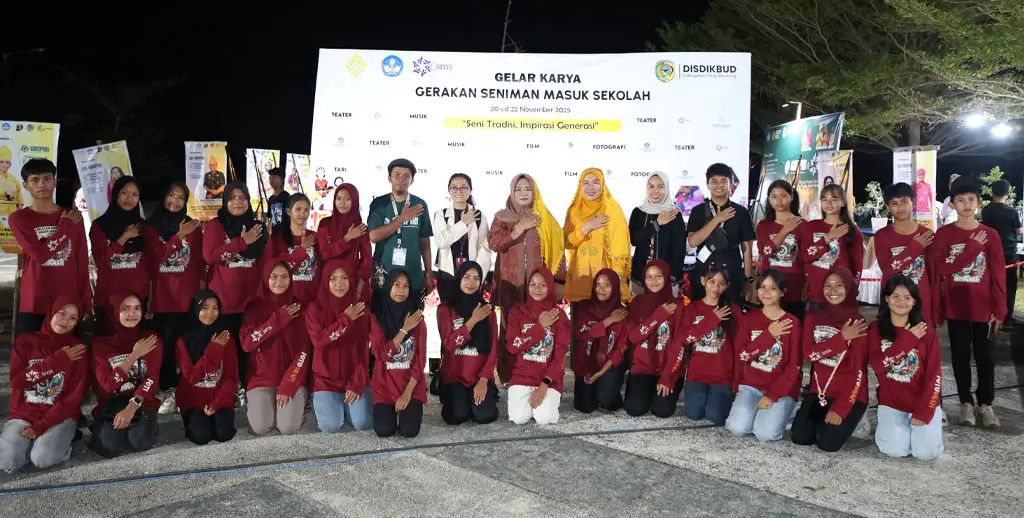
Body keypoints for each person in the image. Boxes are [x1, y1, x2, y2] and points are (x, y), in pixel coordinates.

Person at [931, 177, 1006, 428]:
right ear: (952, 205)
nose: (966, 205)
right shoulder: (944, 235)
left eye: (970, 200)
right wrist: (971, 248)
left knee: (986, 357)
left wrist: (1000, 308)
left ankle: (985, 404)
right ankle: (965, 402)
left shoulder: (990, 235)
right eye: (960, 201)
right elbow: (944, 268)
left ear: (979, 203)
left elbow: (997, 273)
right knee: (960, 356)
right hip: (957, 307)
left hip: (984, 308)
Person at [488, 174, 567, 384]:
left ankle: (536, 373)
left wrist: (559, 283)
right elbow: (494, 244)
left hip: (537, 287)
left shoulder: (544, 218)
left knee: (538, 326)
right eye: (518, 189)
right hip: (510, 284)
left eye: (527, 189)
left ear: (535, 192)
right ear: (511, 192)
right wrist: (519, 227)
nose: (523, 193)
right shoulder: (502, 217)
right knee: (509, 328)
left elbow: (558, 249)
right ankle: (507, 375)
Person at [1, 295, 87, 473]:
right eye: (61, 313)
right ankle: (30, 442)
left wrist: (41, 426)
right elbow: (17, 382)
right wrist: (55, 362)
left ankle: (63, 439)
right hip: (24, 412)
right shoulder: (26, 341)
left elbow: (73, 397)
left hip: (58, 415)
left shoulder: (78, 349)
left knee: (42, 459)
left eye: (73, 318)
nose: (66, 320)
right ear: (51, 313)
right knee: (7, 462)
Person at [203, 181, 271, 396]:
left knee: (248, 348)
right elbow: (211, 257)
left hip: (250, 302)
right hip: (223, 302)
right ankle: (224, 388)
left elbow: (265, 263)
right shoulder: (216, 226)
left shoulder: (257, 227)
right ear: (225, 201)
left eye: (242, 197)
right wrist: (242, 242)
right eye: (232, 198)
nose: (237, 202)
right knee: (223, 348)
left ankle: (245, 387)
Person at [791, 267, 868, 452]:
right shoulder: (813, 317)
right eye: (828, 285)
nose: (832, 290)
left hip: (850, 394)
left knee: (828, 444)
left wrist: (841, 408)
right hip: (820, 391)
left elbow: (859, 372)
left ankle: (856, 419)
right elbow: (809, 354)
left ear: (849, 287)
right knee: (801, 437)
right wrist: (840, 339)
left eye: (839, 285)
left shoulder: (857, 323)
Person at [144, 181, 205, 415]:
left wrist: (202, 293)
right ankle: (169, 388)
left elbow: (199, 261)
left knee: (190, 345)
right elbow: (158, 257)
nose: (176, 201)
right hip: (164, 297)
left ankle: (189, 387)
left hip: (189, 298)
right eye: (171, 195)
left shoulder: (193, 226)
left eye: (181, 197)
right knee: (167, 346)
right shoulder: (150, 228)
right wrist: (179, 235)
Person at [10, 159, 91, 334]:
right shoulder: (19, 218)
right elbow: (40, 255)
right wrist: (65, 227)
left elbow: (81, 262)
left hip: (68, 303)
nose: (42, 184)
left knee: (70, 357)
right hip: (35, 302)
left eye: (47, 178)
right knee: (35, 359)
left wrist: (85, 301)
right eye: (35, 180)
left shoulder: (72, 216)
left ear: (54, 182)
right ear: (26, 186)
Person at [869, 275, 944, 460]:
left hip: (923, 400)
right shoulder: (876, 329)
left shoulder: (926, 332)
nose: (901, 302)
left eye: (907, 297)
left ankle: (929, 432)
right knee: (896, 451)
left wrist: (924, 410)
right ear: (886, 298)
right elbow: (879, 365)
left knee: (925, 454)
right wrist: (907, 340)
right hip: (892, 401)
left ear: (914, 301)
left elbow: (934, 375)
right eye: (895, 296)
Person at [726, 269, 801, 441]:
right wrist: (768, 335)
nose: (766, 292)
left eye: (773, 288)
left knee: (765, 434)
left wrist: (773, 395)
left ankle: (787, 411)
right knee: (738, 428)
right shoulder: (749, 319)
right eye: (762, 287)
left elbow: (793, 367)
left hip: (780, 389)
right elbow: (742, 356)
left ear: (782, 292)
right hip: (752, 385)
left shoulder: (792, 323)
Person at [240, 262, 311, 436]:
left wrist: (289, 385)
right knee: (261, 427)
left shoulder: (299, 308)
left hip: (292, 378)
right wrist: (277, 320)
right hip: (262, 379)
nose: (279, 281)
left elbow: (304, 352)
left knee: (287, 427)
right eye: (274, 277)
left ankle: (302, 403)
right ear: (265, 278)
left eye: (285, 277)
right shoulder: (254, 308)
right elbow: (248, 343)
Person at [88, 293, 162, 458]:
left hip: (141, 401)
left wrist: (132, 406)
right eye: (125, 308)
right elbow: (107, 384)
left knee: (140, 442)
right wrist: (133, 356)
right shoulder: (100, 345)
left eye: (137, 308)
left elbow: (151, 378)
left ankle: (147, 423)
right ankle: (103, 426)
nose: (132, 313)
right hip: (112, 402)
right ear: (115, 312)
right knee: (111, 447)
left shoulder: (151, 339)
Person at [306, 259, 373, 432]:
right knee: (331, 426)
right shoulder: (315, 310)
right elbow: (319, 341)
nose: (339, 284)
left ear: (351, 280)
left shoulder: (361, 310)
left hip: (353, 377)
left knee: (362, 423)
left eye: (344, 278)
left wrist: (357, 382)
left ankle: (345, 406)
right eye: (333, 278)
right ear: (325, 281)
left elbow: (364, 351)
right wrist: (344, 321)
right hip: (326, 380)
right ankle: (330, 404)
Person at [668, 265, 740, 425]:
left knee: (715, 417)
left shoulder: (732, 310)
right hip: (697, 375)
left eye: (721, 283)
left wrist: (736, 380)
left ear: (727, 286)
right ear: (703, 281)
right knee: (693, 413)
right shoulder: (692, 308)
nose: (716, 287)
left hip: (722, 377)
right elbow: (685, 338)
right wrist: (711, 320)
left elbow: (738, 347)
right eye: (711, 281)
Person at [436, 261, 500, 425]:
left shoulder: (488, 311)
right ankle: (460, 400)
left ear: (481, 283)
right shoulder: (445, 310)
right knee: (457, 416)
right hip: (454, 376)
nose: (471, 283)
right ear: (458, 279)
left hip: (478, 377)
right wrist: (473, 320)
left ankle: (481, 397)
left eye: (476, 279)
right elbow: (450, 345)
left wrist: (484, 379)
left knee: (483, 416)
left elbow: (493, 349)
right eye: (466, 277)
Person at [505, 266, 570, 425]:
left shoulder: (558, 315)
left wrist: (543, 386)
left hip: (548, 379)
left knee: (544, 418)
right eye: (533, 284)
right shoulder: (518, 312)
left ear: (550, 286)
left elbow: (559, 357)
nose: (537, 289)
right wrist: (539, 327)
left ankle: (548, 402)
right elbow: (512, 346)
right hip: (522, 376)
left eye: (542, 285)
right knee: (519, 418)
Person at [175, 290, 238, 445]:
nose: (210, 313)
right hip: (193, 398)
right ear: (195, 310)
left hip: (219, 396)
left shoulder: (225, 338)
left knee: (224, 434)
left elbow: (232, 377)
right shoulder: (184, 340)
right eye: (204, 308)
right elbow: (191, 377)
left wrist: (216, 403)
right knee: (201, 436)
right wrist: (213, 351)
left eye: (215, 308)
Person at [369, 270, 427, 437]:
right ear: (388, 287)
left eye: (406, 286)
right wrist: (404, 330)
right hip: (384, 386)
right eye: (396, 285)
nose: (401, 290)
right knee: (384, 430)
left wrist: (407, 394)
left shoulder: (417, 320)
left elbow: (420, 361)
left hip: (411, 386)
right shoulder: (377, 319)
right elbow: (381, 355)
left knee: (409, 430)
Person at [367, 159, 434, 304]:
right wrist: (402, 218)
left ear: (412, 180)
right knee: (382, 319)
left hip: (412, 273)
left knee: (411, 318)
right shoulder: (379, 204)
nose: (401, 179)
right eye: (397, 175)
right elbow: (373, 236)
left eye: (406, 176)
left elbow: (425, 242)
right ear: (389, 177)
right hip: (383, 273)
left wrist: (428, 273)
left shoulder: (420, 204)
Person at [686, 163, 755, 302]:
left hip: (732, 273)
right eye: (714, 181)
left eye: (724, 181)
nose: (719, 185)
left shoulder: (741, 212)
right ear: (707, 185)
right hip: (704, 274)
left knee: (730, 315)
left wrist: (748, 280)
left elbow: (747, 249)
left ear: (731, 184)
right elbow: (693, 242)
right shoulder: (698, 211)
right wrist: (717, 219)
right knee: (702, 316)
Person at [563, 167, 632, 303]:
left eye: (595, 182)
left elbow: (620, 245)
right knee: (581, 322)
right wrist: (585, 228)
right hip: (580, 278)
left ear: (602, 185)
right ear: (580, 185)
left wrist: (616, 276)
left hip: (606, 281)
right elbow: (566, 242)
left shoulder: (611, 209)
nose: (591, 187)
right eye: (586, 183)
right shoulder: (573, 211)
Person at [623, 260, 681, 417]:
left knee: (662, 411)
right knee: (635, 409)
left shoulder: (677, 306)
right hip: (642, 367)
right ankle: (637, 386)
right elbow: (634, 337)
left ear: (667, 277)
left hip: (666, 368)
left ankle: (669, 386)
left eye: (658, 276)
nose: (653, 281)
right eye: (649, 276)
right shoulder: (637, 303)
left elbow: (679, 345)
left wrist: (668, 376)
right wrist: (658, 315)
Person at [91, 176, 149, 333]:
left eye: (134, 194)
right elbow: (101, 260)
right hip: (109, 298)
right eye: (124, 193)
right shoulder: (100, 226)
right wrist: (124, 237)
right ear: (115, 194)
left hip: (137, 299)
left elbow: (151, 263)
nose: (129, 198)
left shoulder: (144, 226)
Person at [874, 183, 935, 324]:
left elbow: (933, 275)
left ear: (912, 202)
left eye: (904, 202)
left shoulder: (927, 235)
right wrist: (915, 247)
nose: (900, 207)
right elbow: (888, 270)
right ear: (888, 207)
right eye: (894, 203)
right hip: (894, 302)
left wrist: (936, 307)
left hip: (921, 301)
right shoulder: (881, 236)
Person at [572, 269, 630, 413]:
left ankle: (609, 390)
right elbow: (582, 335)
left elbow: (621, 348)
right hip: (587, 362)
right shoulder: (584, 308)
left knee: (607, 401)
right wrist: (609, 321)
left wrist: (602, 372)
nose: (601, 289)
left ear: (615, 287)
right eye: (598, 285)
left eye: (607, 285)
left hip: (609, 365)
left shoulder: (622, 313)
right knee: (585, 407)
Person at [432, 173, 493, 300]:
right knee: (449, 313)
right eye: (454, 187)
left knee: (471, 311)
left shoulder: (478, 215)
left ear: (470, 190)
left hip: (472, 276)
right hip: (447, 274)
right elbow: (441, 241)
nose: (458, 191)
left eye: (464, 187)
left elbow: (485, 248)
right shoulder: (441, 214)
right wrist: (463, 223)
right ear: (449, 191)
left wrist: (478, 276)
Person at [803, 184, 864, 309]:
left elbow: (857, 266)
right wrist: (827, 238)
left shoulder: (852, 231)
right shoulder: (811, 227)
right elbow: (806, 255)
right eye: (824, 200)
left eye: (834, 199)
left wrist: (853, 290)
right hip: (817, 294)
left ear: (843, 202)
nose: (829, 203)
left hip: (841, 295)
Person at [629, 171, 686, 296]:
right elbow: (634, 239)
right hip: (640, 277)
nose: (655, 191)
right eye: (651, 186)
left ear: (666, 188)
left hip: (666, 279)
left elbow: (679, 249)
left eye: (660, 186)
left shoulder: (674, 214)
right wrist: (657, 223)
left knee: (666, 313)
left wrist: (671, 277)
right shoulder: (639, 212)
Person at [756, 179, 806, 320]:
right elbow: (765, 252)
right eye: (774, 196)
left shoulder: (803, 225)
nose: (779, 200)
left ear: (792, 197)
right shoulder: (764, 225)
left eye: (783, 195)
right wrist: (785, 230)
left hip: (795, 285)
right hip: (770, 287)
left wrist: (807, 284)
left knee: (794, 325)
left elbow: (807, 258)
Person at [318, 183, 371, 301]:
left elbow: (367, 262)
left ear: (355, 201)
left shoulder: (360, 228)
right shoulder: (325, 224)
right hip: (331, 282)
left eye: (348, 199)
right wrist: (346, 238)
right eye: (339, 198)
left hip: (355, 283)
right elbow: (324, 254)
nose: (342, 202)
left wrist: (358, 290)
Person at [981, 179, 1022, 327]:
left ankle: (990, 313)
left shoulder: (986, 210)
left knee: (991, 284)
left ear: (992, 192)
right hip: (1009, 253)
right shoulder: (1011, 211)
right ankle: (1007, 316)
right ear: (1007, 193)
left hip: (990, 252)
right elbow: (1019, 231)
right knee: (1009, 285)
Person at [272, 193, 320, 305]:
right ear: (289, 211)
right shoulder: (278, 239)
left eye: (306, 210)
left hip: (312, 301)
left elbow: (321, 268)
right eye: (298, 209)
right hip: (287, 301)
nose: (302, 213)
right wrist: (302, 249)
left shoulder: (315, 237)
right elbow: (278, 269)